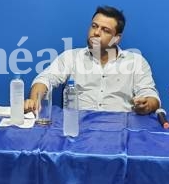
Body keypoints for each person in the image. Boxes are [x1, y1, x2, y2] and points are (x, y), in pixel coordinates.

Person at [24, 6, 161, 115]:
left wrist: (146, 105)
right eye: (94, 26)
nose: (96, 33)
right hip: (77, 127)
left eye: (105, 30)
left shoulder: (136, 61)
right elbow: (45, 79)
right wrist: (34, 100)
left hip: (119, 129)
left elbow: (150, 95)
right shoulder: (71, 57)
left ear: (116, 38)